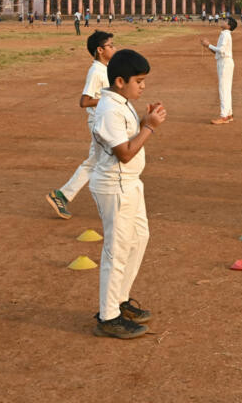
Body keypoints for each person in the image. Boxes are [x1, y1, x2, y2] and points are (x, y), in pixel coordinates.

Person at [86, 48, 162, 339]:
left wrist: (144, 120)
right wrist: (149, 128)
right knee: (116, 251)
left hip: (130, 183)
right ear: (120, 81)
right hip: (115, 186)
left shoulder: (121, 101)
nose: (143, 86)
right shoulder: (108, 110)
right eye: (138, 81)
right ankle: (108, 317)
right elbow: (125, 153)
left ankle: (119, 301)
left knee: (139, 238)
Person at [46, 31, 118, 219]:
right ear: (100, 50)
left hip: (105, 121)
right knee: (103, 160)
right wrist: (107, 98)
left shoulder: (106, 68)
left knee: (96, 161)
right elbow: (84, 101)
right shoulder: (96, 71)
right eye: (111, 45)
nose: (114, 48)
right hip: (98, 122)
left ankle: (62, 195)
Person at [200, 17, 236, 124]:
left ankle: (224, 116)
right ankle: (229, 114)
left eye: (225, 21)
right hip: (225, 61)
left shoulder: (225, 34)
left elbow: (221, 50)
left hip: (225, 63)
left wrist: (208, 45)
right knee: (226, 89)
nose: (222, 21)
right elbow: (219, 52)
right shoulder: (225, 34)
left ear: (229, 26)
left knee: (223, 89)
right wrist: (208, 46)